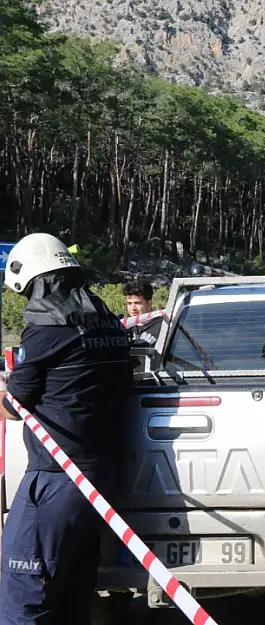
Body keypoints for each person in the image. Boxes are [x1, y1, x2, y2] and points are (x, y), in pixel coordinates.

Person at [0, 233, 133, 625]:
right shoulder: (107, 321)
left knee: (25, 584)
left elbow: (14, 404)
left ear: (39, 281)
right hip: (100, 474)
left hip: (58, 475)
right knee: (73, 589)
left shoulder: (47, 328)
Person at [122, 280, 163, 347]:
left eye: (137, 303)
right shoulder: (124, 327)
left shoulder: (163, 326)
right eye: (129, 303)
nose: (133, 308)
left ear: (149, 303)